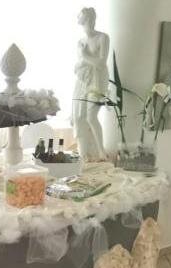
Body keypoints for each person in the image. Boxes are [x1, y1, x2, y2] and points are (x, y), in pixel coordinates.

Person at [72, 7, 109, 161]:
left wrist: (85, 56)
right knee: (79, 116)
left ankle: (101, 151)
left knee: (91, 116)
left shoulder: (102, 37)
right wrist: (81, 62)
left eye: (81, 17)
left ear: (89, 18)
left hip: (98, 80)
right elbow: (79, 64)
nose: (78, 20)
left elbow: (101, 64)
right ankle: (84, 153)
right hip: (82, 80)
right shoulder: (80, 42)